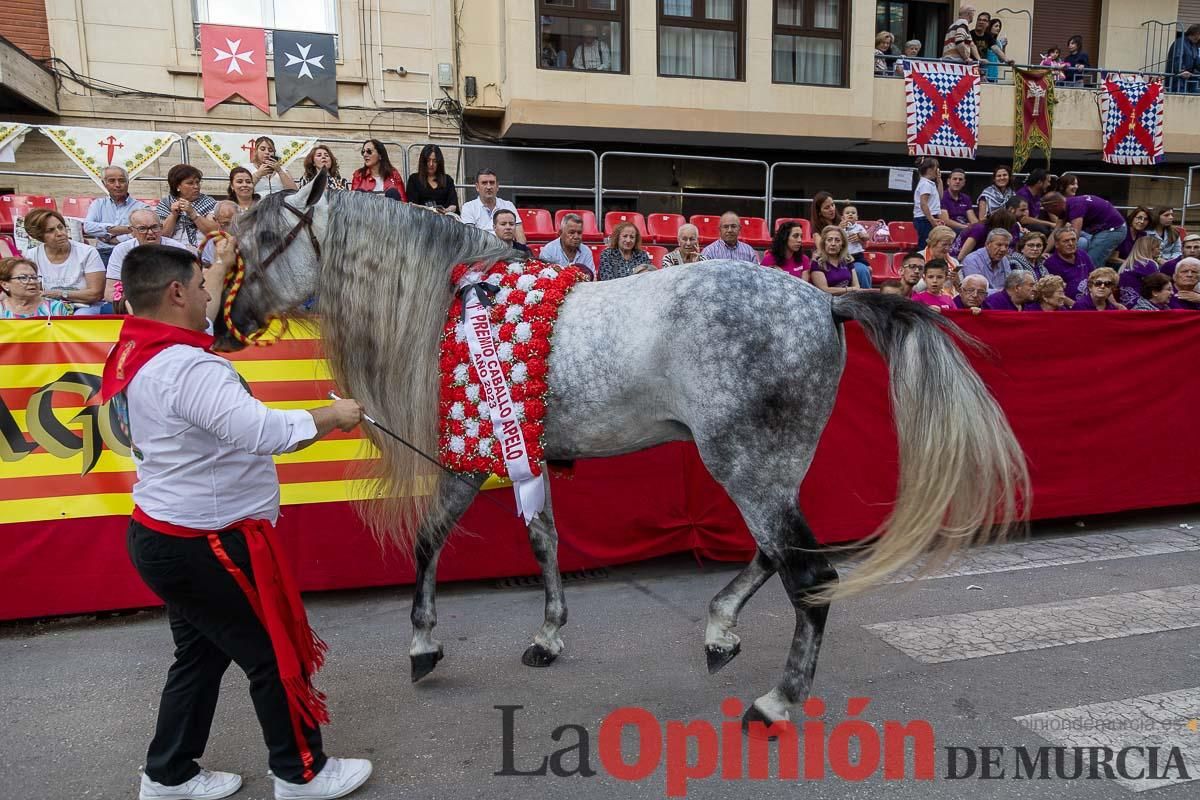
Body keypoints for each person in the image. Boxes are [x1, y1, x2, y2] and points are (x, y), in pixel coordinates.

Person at [100, 244, 374, 800]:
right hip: (208, 544)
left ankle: (168, 772)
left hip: (167, 534)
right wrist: (335, 416)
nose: (210, 293)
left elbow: (208, 331)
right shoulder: (187, 367)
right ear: (176, 293)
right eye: (202, 284)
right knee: (275, 654)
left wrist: (223, 264)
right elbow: (265, 433)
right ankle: (302, 773)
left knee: (199, 657)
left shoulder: (139, 346)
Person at [24, 208, 105, 314]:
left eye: (61, 227)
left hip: (84, 306)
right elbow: (32, 292)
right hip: (50, 306)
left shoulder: (88, 252)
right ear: (39, 236)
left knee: (80, 317)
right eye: (50, 230)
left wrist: (60, 294)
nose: (60, 233)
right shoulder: (32, 255)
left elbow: (96, 294)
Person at [107, 208, 191, 301]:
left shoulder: (177, 249)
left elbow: (187, 286)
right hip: (132, 304)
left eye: (155, 227)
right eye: (142, 229)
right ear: (132, 231)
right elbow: (110, 292)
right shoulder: (121, 250)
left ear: (161, 227)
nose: (150, 233)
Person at [1040, 191, 1128, 267]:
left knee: (1091, 262)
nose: (1050, 213)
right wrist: (1043, 252)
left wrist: (1058, 255)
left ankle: (1093, 283)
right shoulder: (1065, 208)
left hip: (1114, 229)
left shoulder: (1076, 206)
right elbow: (1055, 232)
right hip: (1101, 230)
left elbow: (1075, 235)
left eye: (1048, 210)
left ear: (1055, 205)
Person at [83, 165, 148, 264]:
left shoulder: (142, 208)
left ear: (128, 182)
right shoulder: (98, 204)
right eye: (112, 181)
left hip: (131, 252)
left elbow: (144, 231)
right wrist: (125, 229)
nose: (117, 185)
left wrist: (115, 239)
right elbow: (88, 227)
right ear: (104, 184)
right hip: (103, 253)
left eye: (122, 180)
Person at [156, 164, 218, 251]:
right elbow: (161, 235)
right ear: (177, 186)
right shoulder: (166, 203)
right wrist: (173, 215)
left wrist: (193, 213)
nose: (196, 186)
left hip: (203, 250)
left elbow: (214, 232)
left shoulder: (208, 202)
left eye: (197, 182)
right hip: (172, 251)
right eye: (190, 183)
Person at [460, 169, 525, 242]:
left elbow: (520, 236)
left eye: (492, 183)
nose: (489, 187)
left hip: (507, 250)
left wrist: (521, 251)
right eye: (484, 183)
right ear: (477, 187)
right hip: (482, 251)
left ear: (497, 186)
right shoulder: (468, 207)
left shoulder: (508, 205)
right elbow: (470, 238)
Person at [0, 256, 71, 318]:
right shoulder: (1, 310)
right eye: (23, 278)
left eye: (34, 277)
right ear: (4, 284)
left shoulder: (56, 308)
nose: (32, 282)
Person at [1044, 226, 1094, 302]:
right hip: (1068, 307)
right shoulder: (1050, 264)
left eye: (1073, 240)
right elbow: (1055, 293)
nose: (1070, 243)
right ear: (1057, 244)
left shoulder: (1082, 254)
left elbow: (1095, 277)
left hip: (1089, 301)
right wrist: (1076, 306)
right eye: (1066, 241)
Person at [405, 144, 458, 213]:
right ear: (423, 162)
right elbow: (411, 205)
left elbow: (454, 205)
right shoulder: (414, 179)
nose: (431, 164)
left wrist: (446, 211)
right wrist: (431, 210)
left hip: (444, 219)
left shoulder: (448, 180)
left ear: (439, 163)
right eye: (428, 160)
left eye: (435, 161)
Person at [538, 213, 594, 278]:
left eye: (579, 233)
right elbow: (543, 278)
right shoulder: (549, 250)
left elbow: (591, 277)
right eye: (571, 233)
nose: (576, 237)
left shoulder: (586, 251)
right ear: (560, 233)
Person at [954, 205, 1020, 260]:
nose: (1012, 229)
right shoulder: (979, 229)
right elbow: (961, 256)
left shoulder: (1013, 228)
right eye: (1010, 226)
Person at [808, 225, 858, 296]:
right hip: (827, 301)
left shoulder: (847, 260)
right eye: (829, 240)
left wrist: (852, 289)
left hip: (847, 300)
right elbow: (824, 290)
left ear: (842, 245)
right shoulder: (817, 262)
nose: (833, 244)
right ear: (824, 243)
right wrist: (849, 289)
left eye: (837, 240)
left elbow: (857, 286)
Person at [1117, 235, 1163, 308]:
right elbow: (1160, 285)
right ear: (1148, 249)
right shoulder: (1148, 264)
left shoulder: (1127, 264)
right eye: (1157, 247)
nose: (1160, 249)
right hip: (1140, 305)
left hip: (1125, 303)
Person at [200, 201, 241, 268]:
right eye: (226, 224)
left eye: (234, 223)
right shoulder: (210, 242)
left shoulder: (247, 237)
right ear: (215, 220)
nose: (231, 227)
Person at [912, 157, 942, 250]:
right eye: (936, 168)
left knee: (930, 245)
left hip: (929, 217)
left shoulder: (930, 184)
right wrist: (931, 219)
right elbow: (923, 203)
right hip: (924, 219)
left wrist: (939, 180)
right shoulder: (925, 184)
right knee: (924, 245)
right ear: (930, 170)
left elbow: (940, 197)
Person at [922, 225, 961, 291]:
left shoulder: (954, 262)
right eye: (944, 244)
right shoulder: (918, 260)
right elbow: (914, 287)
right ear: (933, 243)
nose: (948, 248)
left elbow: (961, 290)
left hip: (949, 299)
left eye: (950, 245)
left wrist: (957, 282)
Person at [1016, 168, 1054, 233]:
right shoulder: (1023, 195)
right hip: (1023, 227)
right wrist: (1050, 224)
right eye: (1048, 181)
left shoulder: (1037, 194)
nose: (1049, 184)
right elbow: (1023, 219)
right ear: (1039, 182)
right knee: (1044, 230)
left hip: (1034, 222)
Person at [1166, 24, 1200, 93]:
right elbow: (1177, 59)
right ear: (1196, 33)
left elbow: (1197, 62)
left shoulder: (1194, 45)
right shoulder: (1180, 42)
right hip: (1177, 80)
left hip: (1188, 80)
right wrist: (1181, 71)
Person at [983, 18, 1015, 83]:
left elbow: (1001, 60)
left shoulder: (997, 42)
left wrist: (1004, 47)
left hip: (994, 75)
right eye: (996, 26)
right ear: (990, 27)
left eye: (999, 26)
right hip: (984, 74)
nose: (998, 28)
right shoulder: (984, 40)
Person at [840, 205, 870, 270]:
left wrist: (861, 235)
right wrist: (839, 228)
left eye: (853, 213)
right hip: (845, 254)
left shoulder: (859, 227)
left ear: (857, 217)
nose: (850, 214)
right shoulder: (841, 228)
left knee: (868, 268)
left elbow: (868, 237)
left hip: (858, 254)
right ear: (842, 218)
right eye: (847, 213)